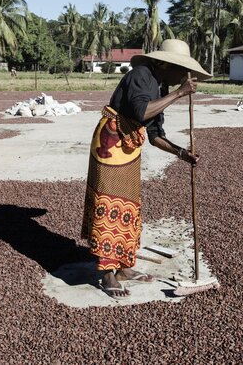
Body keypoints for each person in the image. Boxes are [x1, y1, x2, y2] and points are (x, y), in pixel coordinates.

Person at [81, 39, 211, 299]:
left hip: (129, 148)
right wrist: (179, 93)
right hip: (111, 145)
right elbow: (141, 112)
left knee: (129, 205)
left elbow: (154, 133)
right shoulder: (141, 75)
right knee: (109, 205)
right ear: (164, 63)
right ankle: (107, 273)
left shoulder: (160, 83)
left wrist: (182, 153)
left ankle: (124, 267)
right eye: (179, 71)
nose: (181, 78)